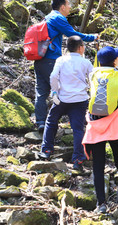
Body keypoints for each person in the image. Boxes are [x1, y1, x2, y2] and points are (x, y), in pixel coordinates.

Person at [82, 46, 118, 214]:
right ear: (115, 60)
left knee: (98, 167)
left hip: (95, 126)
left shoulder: (93, 74)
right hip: (115, 124)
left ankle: (101, 204)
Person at [34, 0, 98, 132]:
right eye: (68, 4)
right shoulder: (58, 18)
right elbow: (73, 35)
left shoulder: (47, 17)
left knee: (41, 92)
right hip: (51, 60)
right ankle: (60, 121)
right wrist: (92, 37)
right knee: (59, 89)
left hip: (39, 59)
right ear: (62, 7)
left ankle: (40, 122)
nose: (70, 7)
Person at [37, 36, 93, 171]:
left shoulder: (60, 60)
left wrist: (55, 92)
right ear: (80, 48)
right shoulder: (86, 62)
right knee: (78, 129)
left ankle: (46, 151)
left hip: (62, 98)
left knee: (51, 122)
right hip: (80, 99)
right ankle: (78, 159)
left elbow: (53, 76)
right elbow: (93, 80)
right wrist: (91, 95)